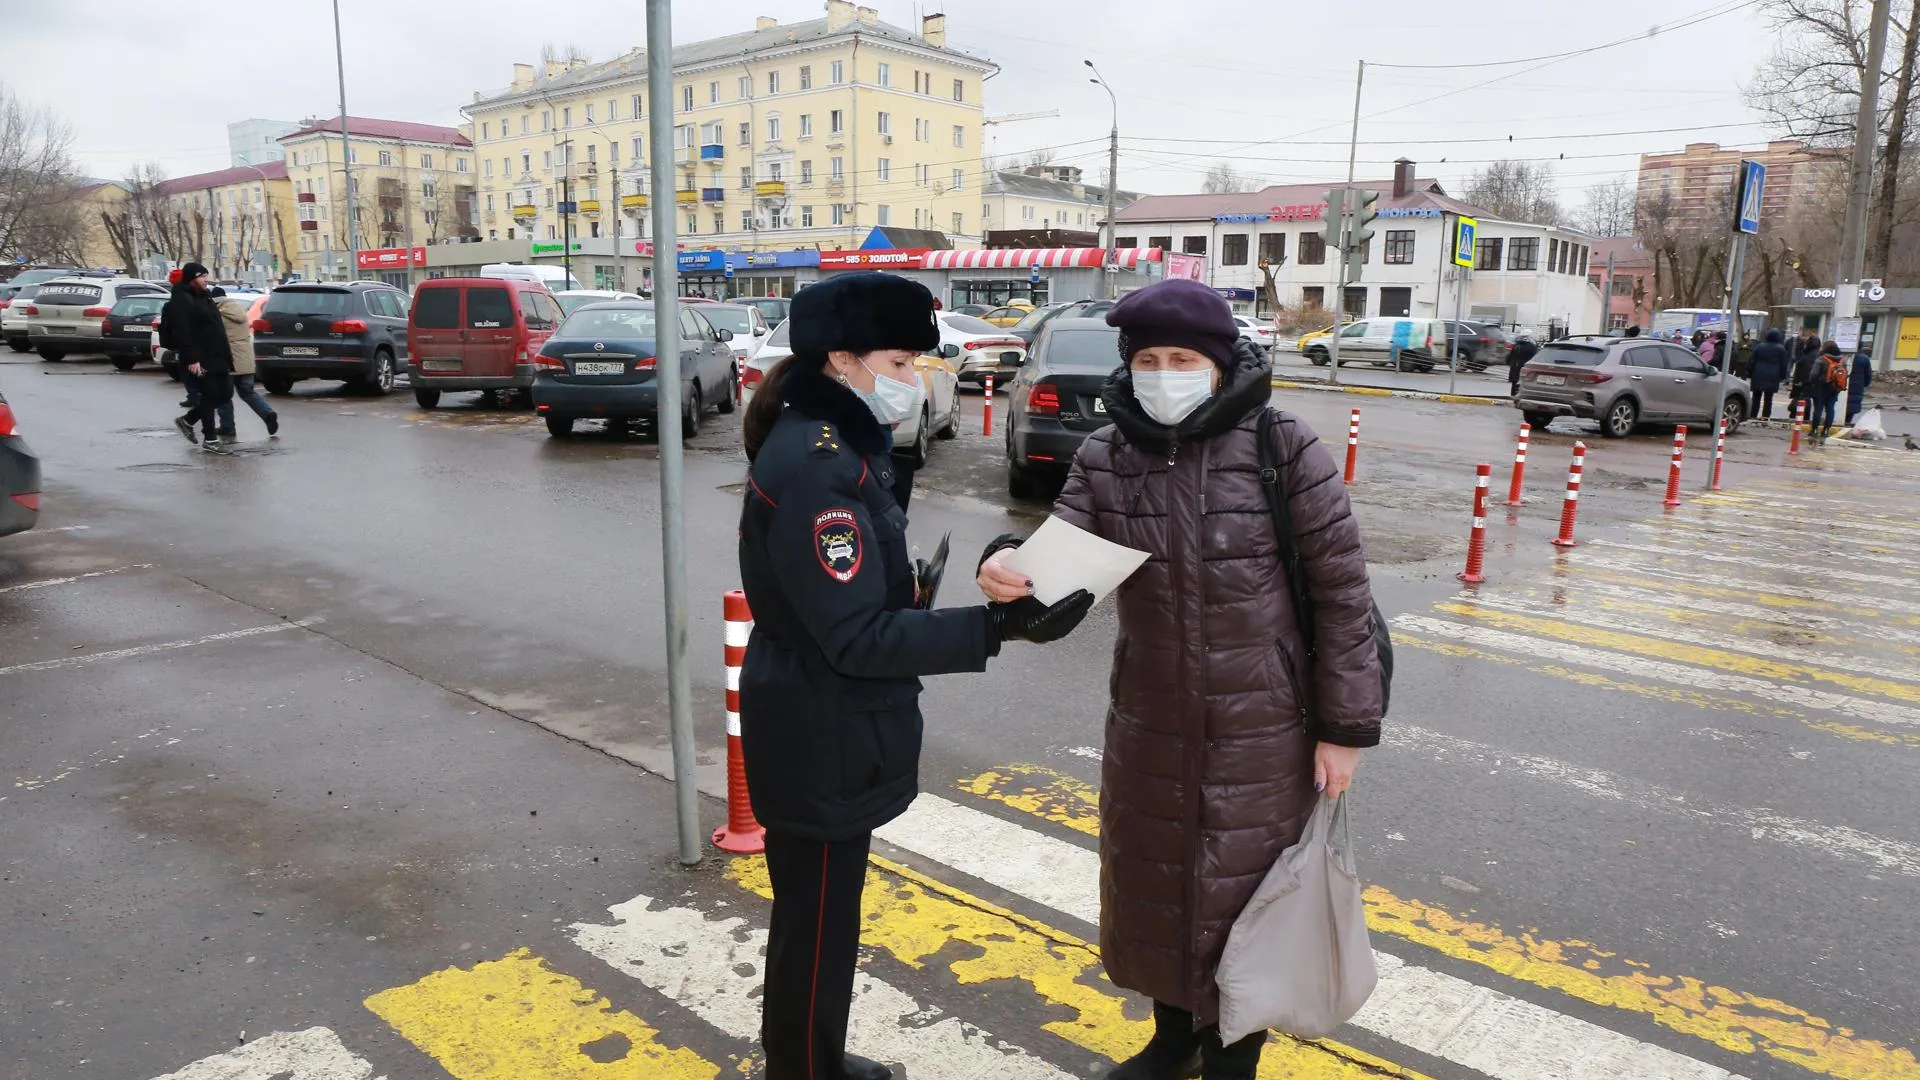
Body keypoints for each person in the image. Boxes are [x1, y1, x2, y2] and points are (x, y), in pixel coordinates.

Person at [977, 279, 1383, 1080]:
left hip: (1265, 722)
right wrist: (1004, 568)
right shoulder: (1107, 454)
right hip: (1152, 716)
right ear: (1130, 366)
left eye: (1184, 358)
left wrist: (1345, 729)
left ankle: (1233, 1052)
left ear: (1219, 364)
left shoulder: (1282, 446)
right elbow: (1061, 570)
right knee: (1156, 883)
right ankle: (1172, 1040)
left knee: (1246, 896)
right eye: (1151, 359)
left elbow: (1344, 594)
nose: (1167, 372)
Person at [736, 273, 1095, 1080]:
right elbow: (855, 637)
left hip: (821, 716)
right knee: (817, 926)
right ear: (842, 358)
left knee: (819, 921)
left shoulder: (826, 443)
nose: (912, 381)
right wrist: (993, 626)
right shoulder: (817, 467)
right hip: (820, 726)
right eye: (900, 362)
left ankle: (812, 1060)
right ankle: (804, 1071)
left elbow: (847, 604)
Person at [161, 263, 236, 451]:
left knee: (226, 392)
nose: (206, 279)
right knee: (209, 394)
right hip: (200, 357)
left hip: (217, 355)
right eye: (202, 276)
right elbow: (182, 331)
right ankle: (210, 439)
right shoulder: (182, 299)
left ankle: (188, 420)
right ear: (192, 278)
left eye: (206, 276)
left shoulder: (205, 296)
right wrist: (192, 359)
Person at [212, 288, 279, 438]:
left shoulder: (218, 314)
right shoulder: (239, 310)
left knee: (223, 395)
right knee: (248, 392)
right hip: (245, 358)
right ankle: (267, 413)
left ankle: (227, 427)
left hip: (228, 359)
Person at [1747, 328, 1789, 420]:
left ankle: (1752, 416)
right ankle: (1765, 417)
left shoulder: (1759, 346)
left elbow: (1752, 361)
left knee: (1756, 398)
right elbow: (1783, 364)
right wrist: (1783, 376)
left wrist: (1750, 373)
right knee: (1768, 399)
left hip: (1758, 374)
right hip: (1773, 375)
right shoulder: (1781, 349)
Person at [1809, 340, 1846, 442]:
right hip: (1835, 388)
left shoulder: (1821, 359)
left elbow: (1813, 375)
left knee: (1818, 409)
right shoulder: (1842, 361)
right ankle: (1826, 430)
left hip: (1821, 387)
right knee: (1830, 409)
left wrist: (1811, 383)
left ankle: (1814, 429)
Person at [1506, 331, 1539, 396]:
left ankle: (1513, 395)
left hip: (1515, 365)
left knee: (1514, 382)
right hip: (1526, 366)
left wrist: (1509, 363)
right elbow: (1535, 357)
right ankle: (1520, 395)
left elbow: (1510, 356)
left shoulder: (1516, 345)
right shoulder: (1532, 346)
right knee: (1523, 382)